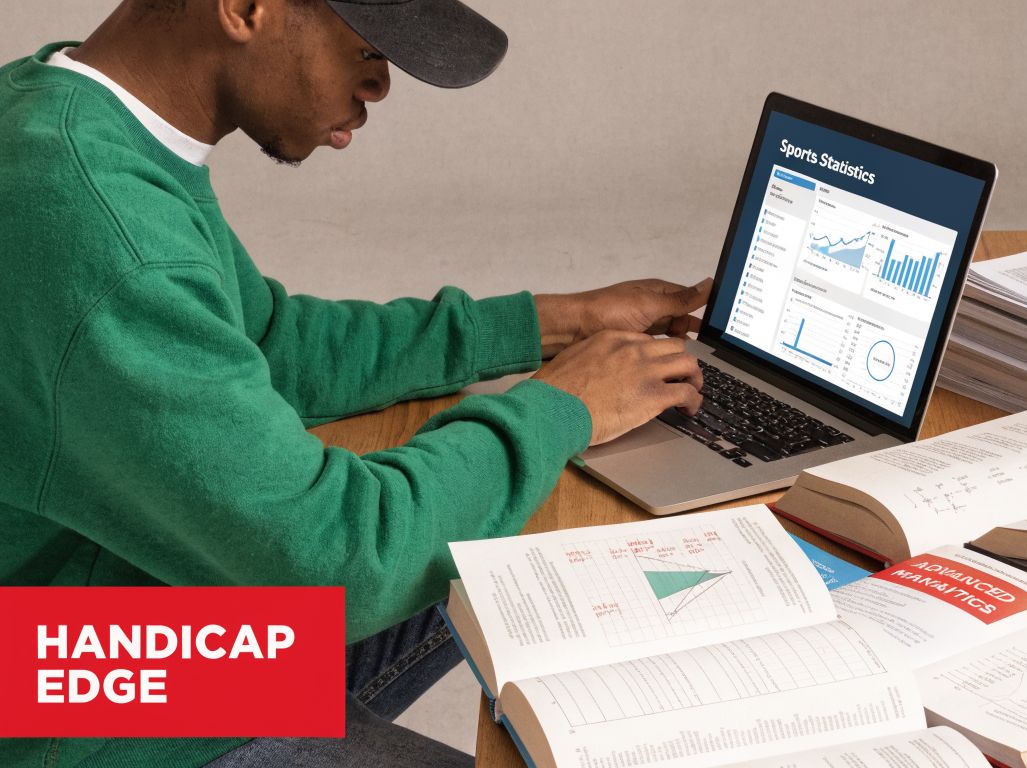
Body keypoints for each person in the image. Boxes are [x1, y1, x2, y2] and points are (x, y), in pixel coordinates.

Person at [0, 0, 707, 765]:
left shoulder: (70, 116)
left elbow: (270, 341)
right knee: (502, 507)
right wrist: (561, 404)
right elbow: (338, 561)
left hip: (127, 626)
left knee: (535, 524)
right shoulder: (100, 225)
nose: (379, 88)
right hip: (76, 703)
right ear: (244, 8)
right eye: (368, 48)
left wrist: (557, 322)